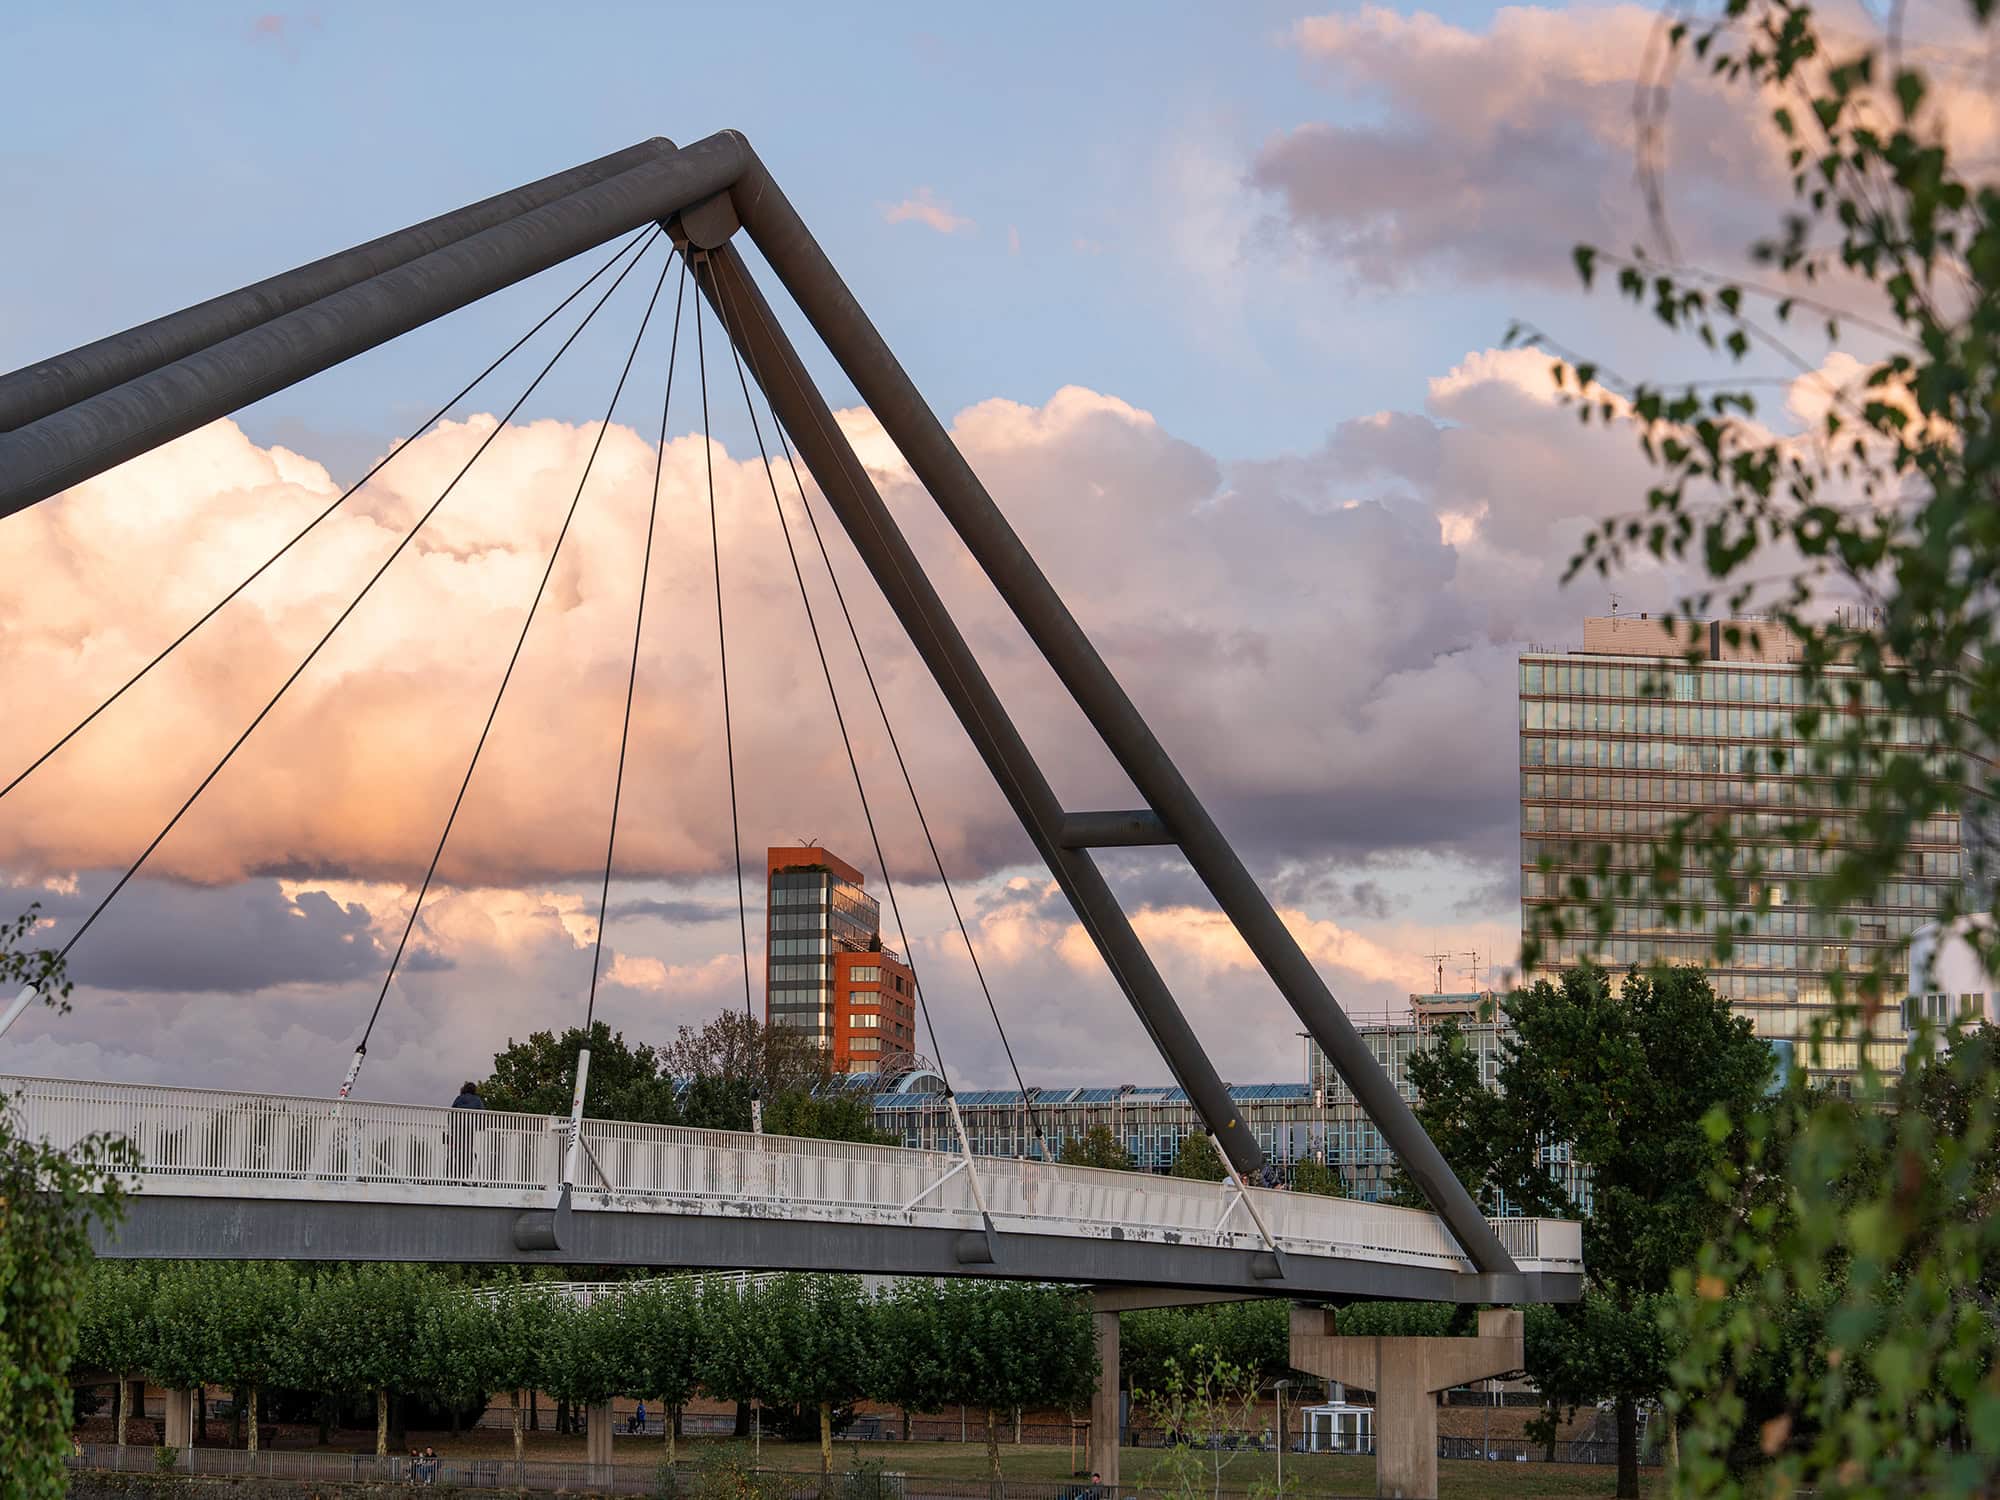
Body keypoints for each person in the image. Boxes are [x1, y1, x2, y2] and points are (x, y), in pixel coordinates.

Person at [449, 1081, 485, 1180]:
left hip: (457, 1128)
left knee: (457, 1152)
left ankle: (455, 1176)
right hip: (469, 1128)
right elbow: (482, 1114)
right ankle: (464, 1176)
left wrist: (451, 1128)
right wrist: (480, 1127)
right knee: (468, 1152)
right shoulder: (477, 1100)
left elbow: (451, 1113)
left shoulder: (459, 1098)